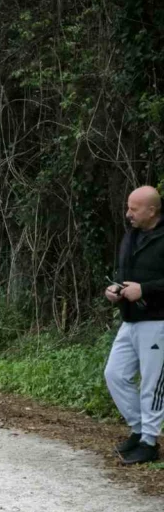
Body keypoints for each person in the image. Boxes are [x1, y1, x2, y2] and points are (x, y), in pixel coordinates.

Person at [104, 185, 164, 464]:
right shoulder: (132, 235)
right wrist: (114, 288)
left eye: (134, 209)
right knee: (114, 374)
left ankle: (150, 443)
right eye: (128, 207)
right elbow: (124, 272)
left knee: (152, 385)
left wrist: (146, 289)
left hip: (157, 322)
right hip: (129, 320)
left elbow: (147, 283)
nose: (128, 213)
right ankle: (138, 430)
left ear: (152, 210)